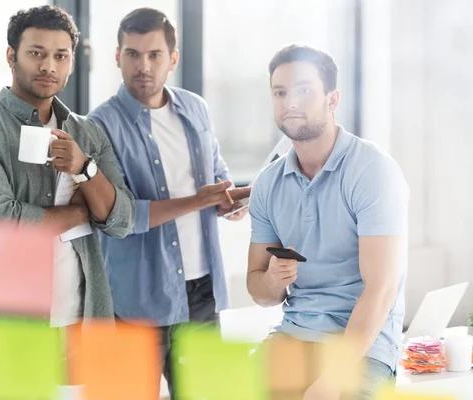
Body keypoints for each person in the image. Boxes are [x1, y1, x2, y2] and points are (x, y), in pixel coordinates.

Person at [88, 7, 251, 398]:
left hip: (200, 292)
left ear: (172, 58)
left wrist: (228, 203)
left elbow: (216, 175)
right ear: (117, 57)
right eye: (132, 54)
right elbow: (118, 217)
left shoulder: (196, 108)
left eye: (154, 55)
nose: (143, 66)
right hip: (136, 299)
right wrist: (197, 201)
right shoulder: (98, 126)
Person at [0, 5, 134, 324]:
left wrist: (85, 167)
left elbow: (122, 221)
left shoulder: (87, 132)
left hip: (84, 321)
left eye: (61, 56)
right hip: (6, 329)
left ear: (72, 62)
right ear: (11, 56)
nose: (49, 66)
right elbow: (4, 224)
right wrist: (80, 212)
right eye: (37, 53)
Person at [247, 45, 409, 400]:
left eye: (304, 90)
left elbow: (380, 290)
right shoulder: (268, 184)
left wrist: (332, 380)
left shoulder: (371, 171)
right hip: (294, 335)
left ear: (332, 99)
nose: (290, 102)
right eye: (280, 92)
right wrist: (273, 280)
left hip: (362, 346)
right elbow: (258, 290)